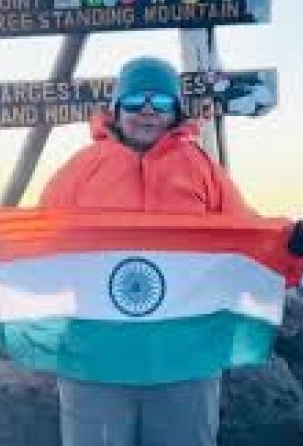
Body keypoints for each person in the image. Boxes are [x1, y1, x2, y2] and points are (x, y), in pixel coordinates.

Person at [37, 56, 257, 446]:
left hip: (185, 359)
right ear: (117, 108)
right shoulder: (82, 168)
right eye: (136, 100)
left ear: (176, 111)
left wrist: (293, 249)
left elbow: (247, 237)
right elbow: (38, 240)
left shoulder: (202, 168)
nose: (148, 111)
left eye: (162, 102)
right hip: (97, 358)